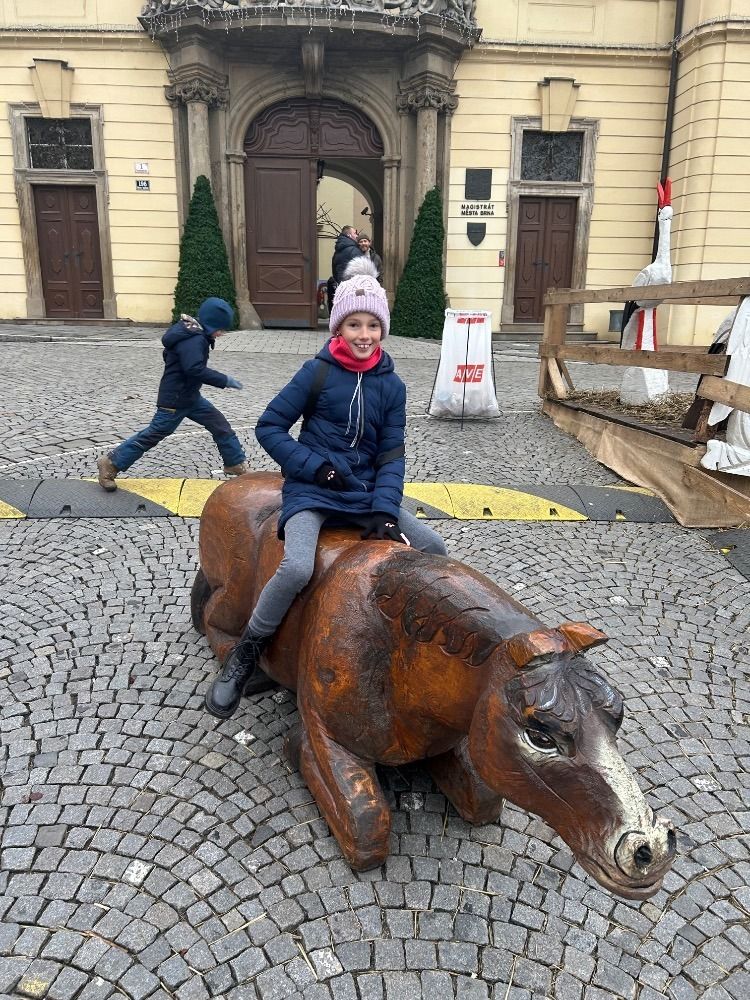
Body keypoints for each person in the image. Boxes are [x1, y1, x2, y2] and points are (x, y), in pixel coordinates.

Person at [205, 257, 448, 719]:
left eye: (372, 325)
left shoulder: (393, 386)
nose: (363, 334)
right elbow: (269, 426)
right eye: (354, 324)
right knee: (296, 567)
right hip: (313, 490)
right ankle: (245, 654)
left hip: (365, 494)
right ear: (339, 327)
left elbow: (391, 455)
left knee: (434, 547)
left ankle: (416, 652)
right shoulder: (316, 372)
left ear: (382, 329)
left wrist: (385, 510)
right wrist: (314, 468)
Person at [96, 297, 248, 491]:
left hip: (190, 397)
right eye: (220, 329)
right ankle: (110, 463)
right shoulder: (194, 339)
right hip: (175, 400)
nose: (221, 334)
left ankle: (234, 463)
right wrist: (224, 380)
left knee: (220, 426)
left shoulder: (192, 333)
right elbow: (194, 369)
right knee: (153, 434)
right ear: (210, 323)